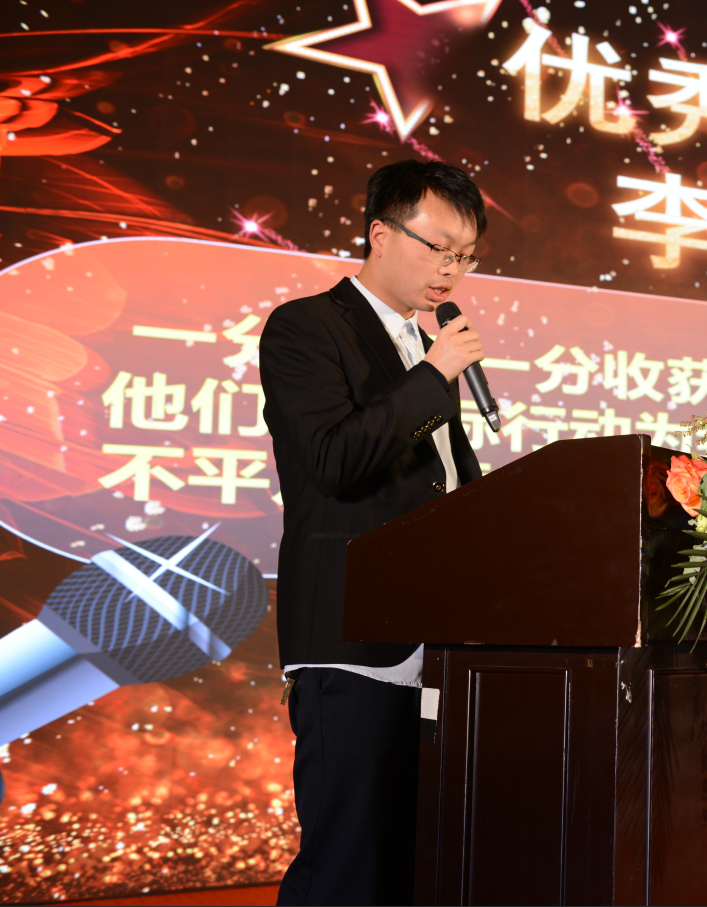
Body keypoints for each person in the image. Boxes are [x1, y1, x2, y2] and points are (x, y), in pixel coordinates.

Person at [259, 160, 487, 905]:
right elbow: (333, 461)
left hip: (437, 641)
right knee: (346, 867)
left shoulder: (421, 348)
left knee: (411, 864)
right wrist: (434, 375)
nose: (451, 270)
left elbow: (444, 485)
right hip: (353, 634)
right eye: (439, 248)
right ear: (380, 234)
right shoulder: (306, 327)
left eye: (465, 256)